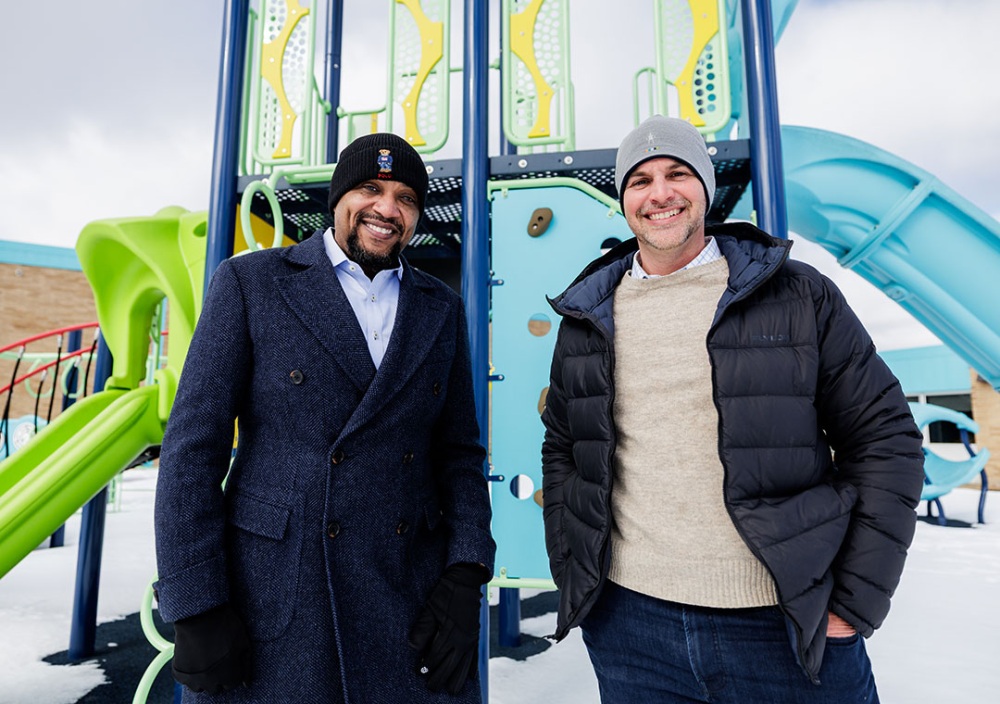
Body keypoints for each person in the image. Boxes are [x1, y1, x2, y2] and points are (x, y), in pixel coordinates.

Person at [540, 115, 925, 703]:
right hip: (630, 627)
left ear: (706, 185)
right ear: (622, 198)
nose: (660, 193)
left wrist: (853, 603)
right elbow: (564, 447)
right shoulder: (587, 314)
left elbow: (885, 441)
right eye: (639, 180)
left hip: (783, 625)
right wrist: (576, 569)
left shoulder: (797, 293)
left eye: (677, 173)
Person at [154, 133, 496, 703]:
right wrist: (197, 604)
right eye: (371, 188)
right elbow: (193, 448)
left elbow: (457, 450)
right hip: (277, 593)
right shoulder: (252, 282)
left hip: (409, 592)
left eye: (407, 198)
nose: (388, 209)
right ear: (338, 198)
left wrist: (466, 572)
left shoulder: (440, 304)